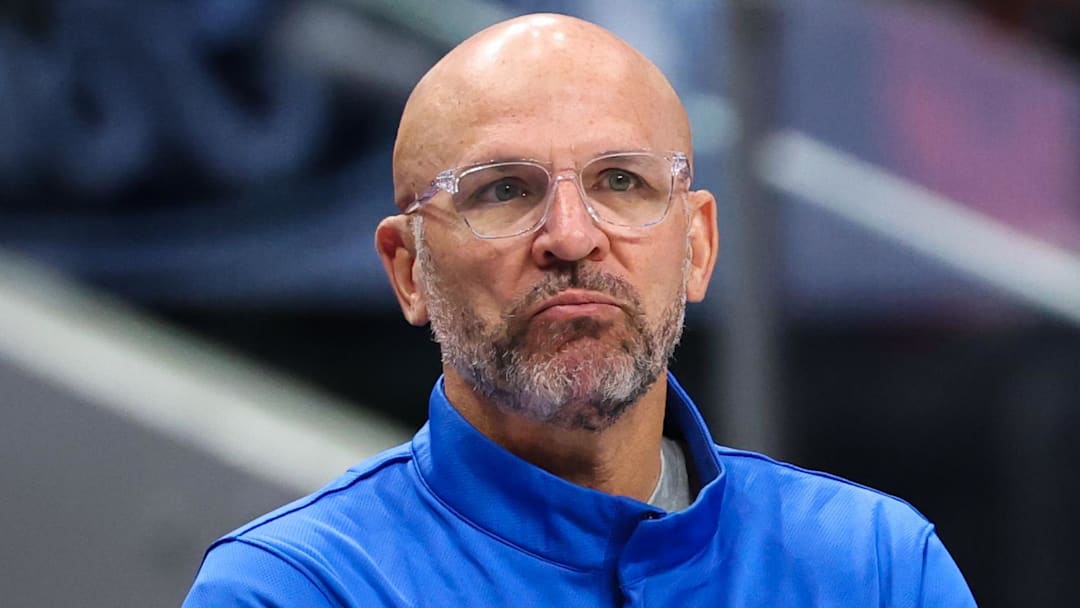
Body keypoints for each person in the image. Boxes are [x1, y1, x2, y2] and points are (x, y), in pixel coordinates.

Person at [183, 13, 977, 607]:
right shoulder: (296, 590)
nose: (571, 237)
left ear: (697, 245)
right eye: (503, 190)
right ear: (408, 270)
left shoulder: (874, 570)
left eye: (621, 182)